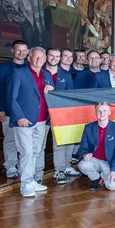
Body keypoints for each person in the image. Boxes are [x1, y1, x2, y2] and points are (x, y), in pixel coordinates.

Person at [8, 47, 53, 197]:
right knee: (26, 152)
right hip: (24, 121)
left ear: (45, 59)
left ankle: (32, 180)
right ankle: (26, 183)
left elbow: (51, 97)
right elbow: (11, 97)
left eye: (41, 57)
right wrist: (19, 116)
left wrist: (51, 90)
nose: (38, 60)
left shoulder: (47, 75)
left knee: (35, 151)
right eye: (36, 57)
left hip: (41, 120)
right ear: (29, 58)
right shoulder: (19, 73)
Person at [0, 40, 28, 179]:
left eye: (24, 50)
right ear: (13, 51)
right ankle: (11, 166)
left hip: (26, 111)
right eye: (18, 50)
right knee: (10, 139)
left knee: (25, 142)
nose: (21, 53)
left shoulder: (29, 67)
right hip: (8, 111)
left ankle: (23, 166)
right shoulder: (3, 68)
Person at [42, 48, 79, 185]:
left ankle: (60, 171)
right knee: (40, 145)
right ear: (46, 56)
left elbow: (70, 95)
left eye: (57, 56)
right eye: (51, 55)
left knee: (60, 143)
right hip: (41, 114)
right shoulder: (40, 72)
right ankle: (36, 173)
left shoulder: (66, 74)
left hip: (60, 114)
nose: (54, 58)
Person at [77, 102, 115, 191]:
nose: (102, 114)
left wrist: (114, 170)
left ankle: (104, 175)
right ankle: (96, 178)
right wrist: (84, 154)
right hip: (94, 161)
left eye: (105, 111)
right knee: (82, 165)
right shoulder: (88, 128)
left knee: (113, 187)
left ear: (110, 112)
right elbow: (83, 147)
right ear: (95, 112)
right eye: (99, 111)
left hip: (109, 163)